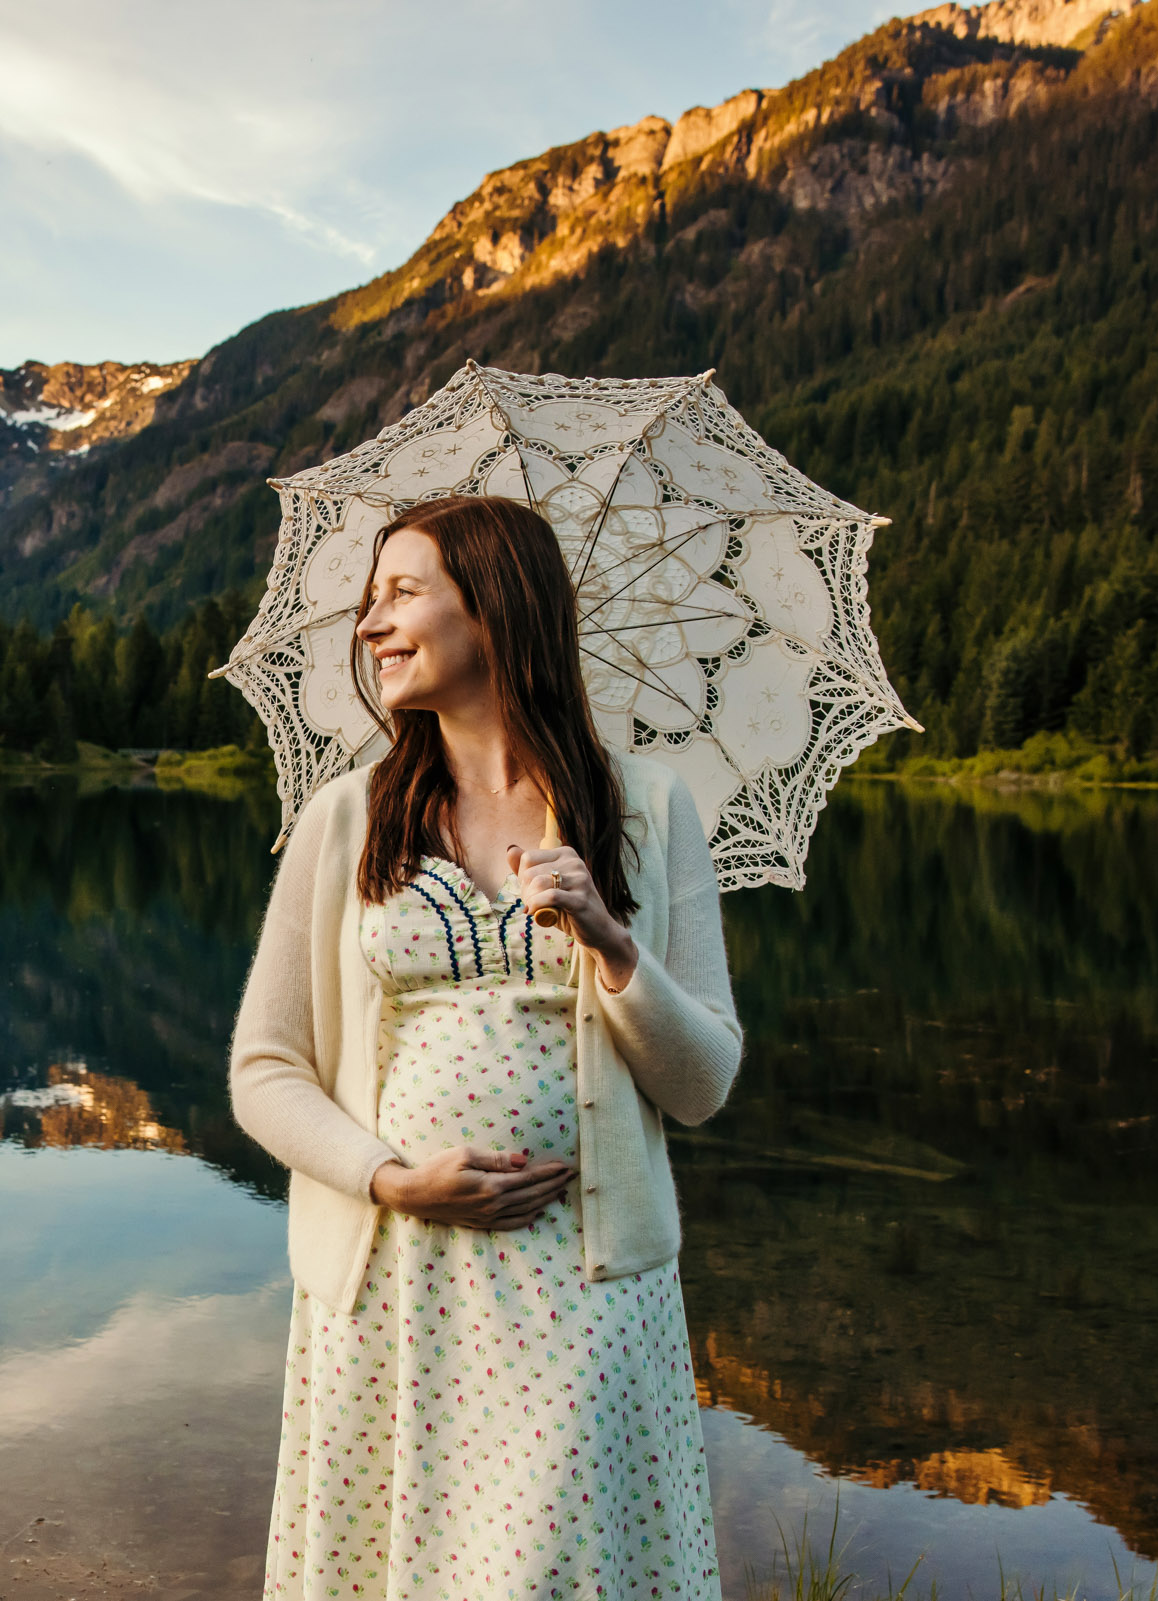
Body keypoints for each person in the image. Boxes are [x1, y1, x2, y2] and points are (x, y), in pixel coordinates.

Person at [228, 493, 745, 1599]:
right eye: (369, 602)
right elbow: (264, 1069)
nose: (371, 624)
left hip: (587, 1285)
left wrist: (612, 944)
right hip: (396, 1282)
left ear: (497, 607)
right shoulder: (348, 817)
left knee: (549, 1567)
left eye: (401, 591)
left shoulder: (645, 808)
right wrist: (393, 1177)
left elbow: (703, 1085)